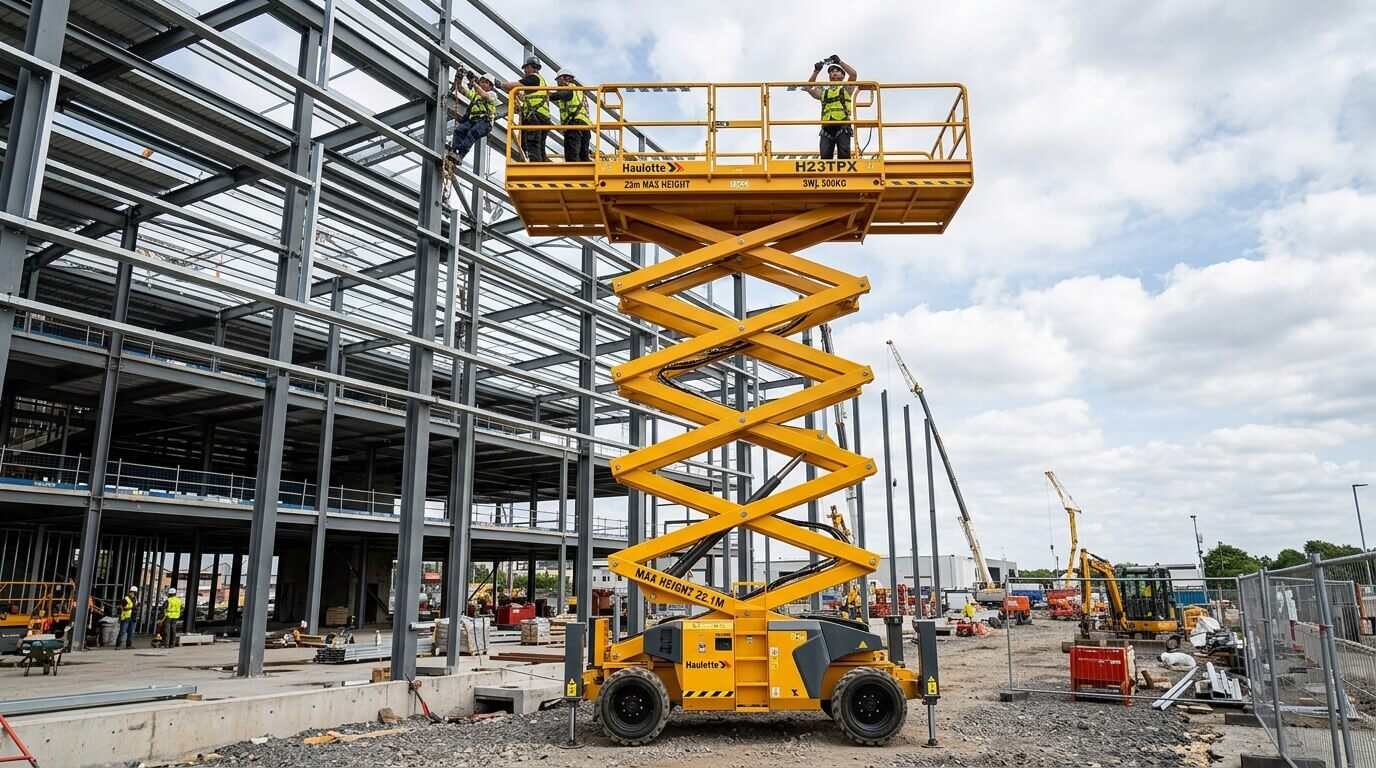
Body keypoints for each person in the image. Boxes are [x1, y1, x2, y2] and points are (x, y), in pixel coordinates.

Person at [498, 56, 552, 162]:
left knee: (533, 145)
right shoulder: (541, 82)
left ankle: (536, 171)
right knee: (540, 148)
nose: (525, 71)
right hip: (544, 118)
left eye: (526, 68)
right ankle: (543, 171)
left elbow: (512, 86)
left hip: (535, 117)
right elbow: (527, 98)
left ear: (533, 68)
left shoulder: (533, 78)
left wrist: (499, 84)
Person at [806, 55, 858, 160]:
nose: (834, 72)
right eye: (831, 71)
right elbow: (809, 88)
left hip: (842, 126)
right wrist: (816, 71)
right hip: (827, 128)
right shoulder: (824, 92)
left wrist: (839, 62)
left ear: (843, 75)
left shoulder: (846, 89)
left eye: (837, 71)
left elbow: (853, 74)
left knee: (844, 156)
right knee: (825, 157)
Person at [450, 70, 498, 166]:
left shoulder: (492, 95)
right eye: (482, 81)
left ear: (490, 86)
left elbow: (484, 95)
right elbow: (461, 90)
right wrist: (459, 79)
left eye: (486, 83)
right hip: (474, 120)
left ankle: (460, 155)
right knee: (459, 130)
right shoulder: (476, 96)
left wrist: (473, 83)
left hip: (485, 122)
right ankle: (454, 152)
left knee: (473, 133)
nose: (483, 84)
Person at [549, 68, 592, 162]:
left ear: (564, 78)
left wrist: (542, 94)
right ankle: (587, 176)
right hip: (585, 126)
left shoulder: (568, 89)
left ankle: (576, 175)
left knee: (571, 157)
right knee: (584, 157)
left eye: (558, 80)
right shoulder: (578, 90)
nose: (557, 83)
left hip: (574, 126)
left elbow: (555, 96)